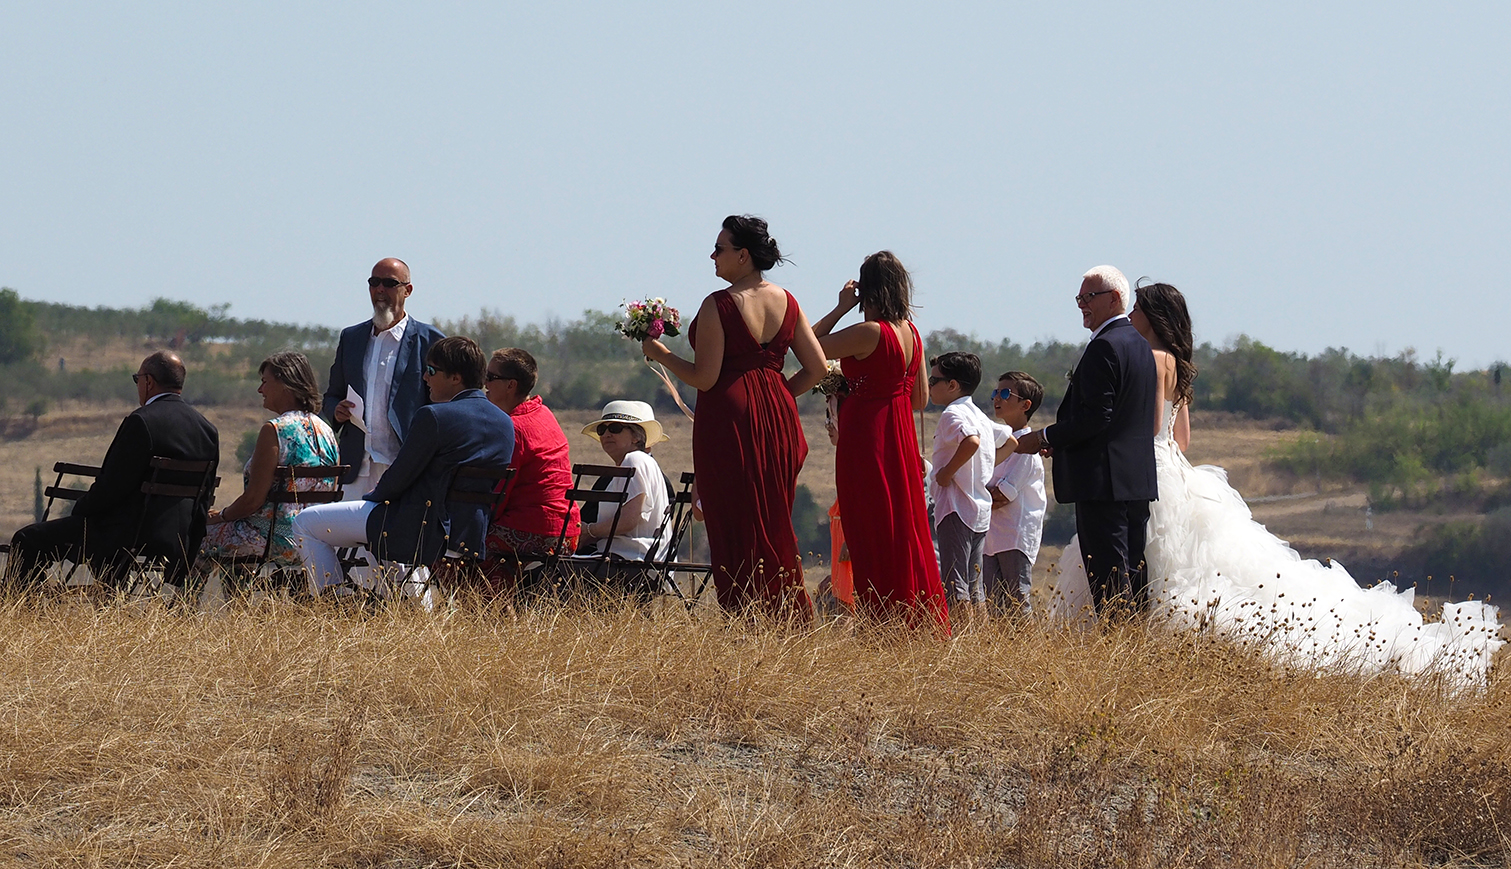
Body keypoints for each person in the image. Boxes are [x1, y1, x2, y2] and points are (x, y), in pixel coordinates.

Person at [1053, 282, 1504, 683]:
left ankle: (1127, 648)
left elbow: (1151, 426)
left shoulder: (1150, 359)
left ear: (1152, 316)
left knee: (1134, 558)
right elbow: (1182, 438)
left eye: (1137, 310)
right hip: (1174, 465)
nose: (1131, 316)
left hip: (1146, 467)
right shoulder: (1179, 364)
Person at [641, 215, 827, 620]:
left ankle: (748, 616)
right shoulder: (788, 301)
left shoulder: (719, 304)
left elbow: (704, 377)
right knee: (773, 519)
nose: (712, 256)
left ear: (743, 255)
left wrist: (660, 354)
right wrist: (778, 396)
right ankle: (786, 615)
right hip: (779, 420)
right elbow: (817, 368)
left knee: (734, 523)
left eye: (719, 248)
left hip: (730, 420)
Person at [292, 337, 514, 596]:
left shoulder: (434, 416)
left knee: (306, 523)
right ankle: (415, 610)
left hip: (417, 528)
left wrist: (372, 497)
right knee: (378, 540)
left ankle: (332, 601)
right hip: (469, 534)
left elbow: (397, 479)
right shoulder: (505, 423)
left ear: (456, 378)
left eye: (431, 370)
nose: (425, 378)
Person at [811, 251, 948, 629]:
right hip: (899, 437)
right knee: (903, 526)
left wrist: (841, 307)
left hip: (867, 438)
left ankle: (882, 619)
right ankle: (912, 615)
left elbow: (809, 346)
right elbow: (920, 399)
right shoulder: (913, 334)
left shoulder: (869, 332)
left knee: (869, 528)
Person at [1016, 266, 1158, 617]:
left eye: (1089, 297)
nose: (1081, 304)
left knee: (1109, 577)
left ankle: (1118, 643)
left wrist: (1044, 436)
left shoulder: (1105, 346)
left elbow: (1096, 418)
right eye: (1079, 298)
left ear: (1114, 298)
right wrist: (1064, 441)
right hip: (1134, 479)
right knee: (1133, 570)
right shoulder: (1140, 345)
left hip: (1102, 482)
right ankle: (1137, 641)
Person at [9, 351, 219, 586]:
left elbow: (111, 487)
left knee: (26, 539)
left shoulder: (142, 422)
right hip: (177, 539)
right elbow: (203, 500)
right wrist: (190, 545)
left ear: (148, 382)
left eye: (137, 379)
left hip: (124, 536)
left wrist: (81, 510)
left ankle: (28, 605)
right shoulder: (207, 430)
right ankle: (110, 598)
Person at [200, 352, 340, 566]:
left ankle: (185, 589)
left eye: (265, 382)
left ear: (285, 384)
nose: (260, 389)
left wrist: (220, 515)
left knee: (197, 537)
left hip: (271, 539)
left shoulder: (274, 430)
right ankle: (241, 589)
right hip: (316, 540)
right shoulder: (327, 432)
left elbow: (253, 501)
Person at [322, 257, 446, 498]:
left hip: (405, 467)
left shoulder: (430, 341)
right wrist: (336, 410)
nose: (380, 289)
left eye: (389, 283)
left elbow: (443, 403)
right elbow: (331, 395)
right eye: (374, 282)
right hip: (356, 468)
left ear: (407, 290)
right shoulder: (351, 338)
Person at [480, 348, 579, 587]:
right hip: (569, 531)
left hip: (535, 530)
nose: (485, 384)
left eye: (491, 377)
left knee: (458, 547)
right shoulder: (543, 413)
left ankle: (490, 605)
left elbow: (497, 493)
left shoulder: (513, 428)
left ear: (510, 385)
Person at [927, 351, 1001, 622]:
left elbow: (971, 441)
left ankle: (963, 639)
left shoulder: (952, 414)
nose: (929, 386)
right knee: (974, 586)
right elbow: (1008, 441)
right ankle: (979, 638)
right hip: (978, 508)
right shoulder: (979, 415)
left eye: (933, 381)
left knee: (955, 584)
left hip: (956, 507)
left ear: (952, 385)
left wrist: (946, 473)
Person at [577, 400, 671, 592]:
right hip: (636, 563)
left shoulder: (634, 460)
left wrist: (589, 531)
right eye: (602, 429)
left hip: (629, 562)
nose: (606, 434)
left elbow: (628, 521)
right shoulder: (641, 463)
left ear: (636, 437)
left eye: (616, 428)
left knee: (541, 576)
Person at [984, 371, 1047, 614]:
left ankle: (1026, 641)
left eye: (1005, 393)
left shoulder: (1027, 449)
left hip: (1015, 535)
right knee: (992, 606)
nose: (997, 398)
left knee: (1017, 603)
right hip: (991, 537)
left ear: (1025, 405)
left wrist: (975, 497)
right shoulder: (998, 444)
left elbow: (1002, 495)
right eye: (995, 392)